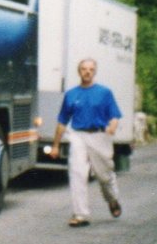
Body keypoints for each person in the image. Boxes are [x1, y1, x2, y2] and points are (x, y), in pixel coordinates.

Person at [51, 58, 122, 227]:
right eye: (84, 69)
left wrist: (112, 126)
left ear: (95, 71)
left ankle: (112, 199)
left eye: (90, 69)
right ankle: (81, 214)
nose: (87, 72)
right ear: (79, 72)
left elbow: (115, 116)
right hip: (78, 135)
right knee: (77, 173)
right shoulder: (71, 95)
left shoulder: (104, 93)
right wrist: (55, 145)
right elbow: (62, 122)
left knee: (104, 176)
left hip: (99, 135)